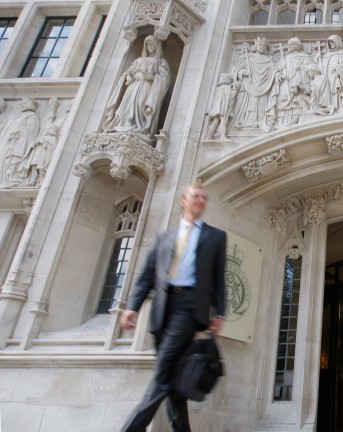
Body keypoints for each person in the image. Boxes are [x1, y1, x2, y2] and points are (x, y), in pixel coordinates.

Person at [119, 183, 227, 432]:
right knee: (172, 380)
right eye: (196, 196)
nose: (201, 200)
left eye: (205, 197)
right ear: (183, 201)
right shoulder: (165, 237)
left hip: (190, 307)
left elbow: (219, 278)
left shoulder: (216, 236)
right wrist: (132, 307)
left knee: (162, 373)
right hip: (162, 308)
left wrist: (220, 312)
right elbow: (147, 276)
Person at [103, 35, 171, 137]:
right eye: (147, 44)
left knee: (140, 104)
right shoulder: (139, 60)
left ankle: (139, 125)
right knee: (127, 105)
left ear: (157, 46)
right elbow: (129, 71)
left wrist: (152, 78)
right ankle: (123, 124)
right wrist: (129, 76)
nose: (149, 46)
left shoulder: (161, 61)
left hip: (147, 87)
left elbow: (164, 78)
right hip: (134, 86)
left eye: (152, 44)